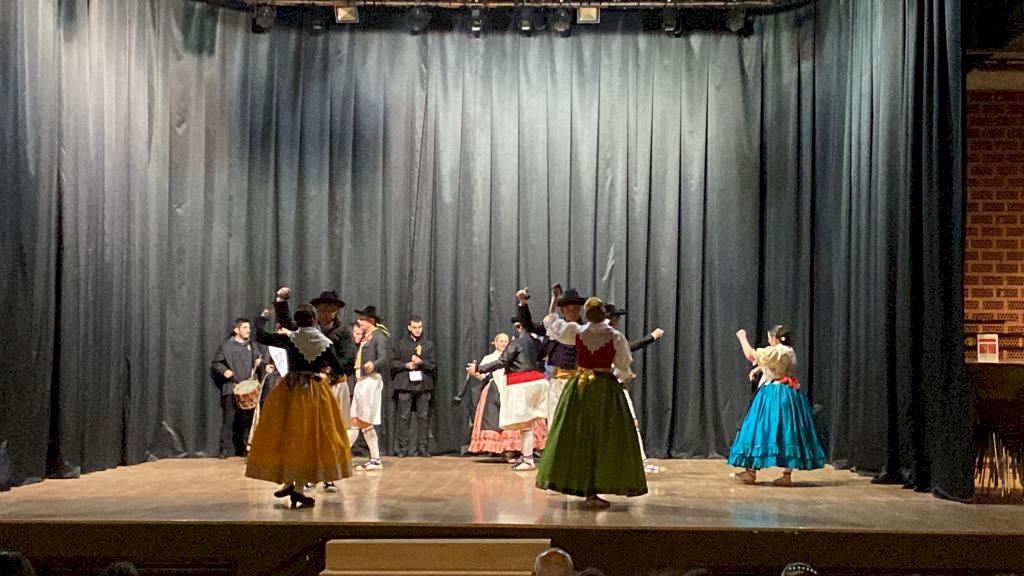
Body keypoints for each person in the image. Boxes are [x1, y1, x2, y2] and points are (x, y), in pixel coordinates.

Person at [536, 289, 647, 508]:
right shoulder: (614, 336)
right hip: (605, 389)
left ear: (586, 314)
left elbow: (553, 325)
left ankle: (580, 484)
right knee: (604, 436)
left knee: (578, 434)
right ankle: (596, 486)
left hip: (580, 388)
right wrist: (622, 377)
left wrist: (554, 301)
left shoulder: (577, 331)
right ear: (603, 313)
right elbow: (623, 365)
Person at [245, 304, 351, 508]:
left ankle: (291, 483)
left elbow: (261, 336)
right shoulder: (325, 343)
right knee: (309, 437)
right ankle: (297, 486)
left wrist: (262, 319)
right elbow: (339, 368)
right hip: (314, 392)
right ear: (314, 320)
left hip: (290, 389)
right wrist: (324, 374)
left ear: (298, 322)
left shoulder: (290, 339)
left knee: (288, 434)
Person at [274, 287, 356, 492]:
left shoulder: (343, 332)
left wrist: (330, 374)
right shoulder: (308, 328)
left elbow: (347, 360)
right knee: (307, 431)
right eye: (322, 308)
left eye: (331, 309)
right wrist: (281, 302)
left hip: (333, 385)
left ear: (336, 311)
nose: (326, 312)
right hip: (311, 385)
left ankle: (329, 475)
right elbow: (287, 324)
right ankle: (308, 473)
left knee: (330, 431)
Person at [727, 325, 825, 486]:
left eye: (770, 338)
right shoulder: (788, 351)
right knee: (789, 430)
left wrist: (742, 337)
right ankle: (786, 475)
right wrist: (759, 369)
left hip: (774, 394)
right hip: (790, 394)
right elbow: (776, 364)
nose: (769, 341)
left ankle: (751, 472)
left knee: (759, 428)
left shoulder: (777, 351)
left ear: (775, 338)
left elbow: (751, 355)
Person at [467, 312, 549, 471]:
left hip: (523, 384)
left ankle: (528, 459)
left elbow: (502, 362)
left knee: (525, 425)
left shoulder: (517, 343)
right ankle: (536, 457)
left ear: (519, 327)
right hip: (540, 383)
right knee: (538, 421)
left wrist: (478, 368)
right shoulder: (538, 343)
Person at [606, 303, 664, 474]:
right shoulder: (608, 336)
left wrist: (625, 373)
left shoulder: (603, 336)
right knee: (630, 423)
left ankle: (632, 461)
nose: (617, 321)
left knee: (625, 424)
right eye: (615, 318)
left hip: (613, 385)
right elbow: (628, 349)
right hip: (612, 388)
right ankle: (639, 462)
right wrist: (652, 337)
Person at [516, 287, 585, 428]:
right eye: (568, 310)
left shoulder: (585, 330)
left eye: (575, 309)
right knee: (555, 417)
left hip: (578, 381)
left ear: (579, 310)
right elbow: (529, 326)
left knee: (576, 419)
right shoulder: (554, 328)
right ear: (563, 311)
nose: (572, 313)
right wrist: (523, 303)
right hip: (557, 380)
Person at [210, 317, 274, 458]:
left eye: (249, 328)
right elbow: (216, 363)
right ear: (236, 330)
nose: (248, 330)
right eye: (245, 327)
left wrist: (264, 366)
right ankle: (224, 450)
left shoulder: (252, 345)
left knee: (248, 421)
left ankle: (246, 448)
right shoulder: (226, 346)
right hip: (232, 388)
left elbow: (259, 362)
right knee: (229, 420)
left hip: (249, 389)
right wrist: (224, 370)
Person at [391, 316, 437, 457]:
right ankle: (403, 449)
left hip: (423, 386)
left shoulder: (428, 345)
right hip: (405, 385)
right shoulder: (400, 344)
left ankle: (423, 448)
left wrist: (421, 362)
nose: (417, 330)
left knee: (423, 417)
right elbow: (393, 363)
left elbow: (433, 364)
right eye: (415, 327)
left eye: (420, 327)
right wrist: (406, 365)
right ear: (409, 328)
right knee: (403, 417)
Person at [349, 305, 389, 471]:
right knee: (354, 419)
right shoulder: (367, 337)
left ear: (371, 320)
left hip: (371, 381)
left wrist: (374, 364)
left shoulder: (379, 336)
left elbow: (384, 356)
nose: (359, 322)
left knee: (364, 420)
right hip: (362, 380)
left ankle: (375, 458)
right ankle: (341, 454)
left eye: (362, 319)